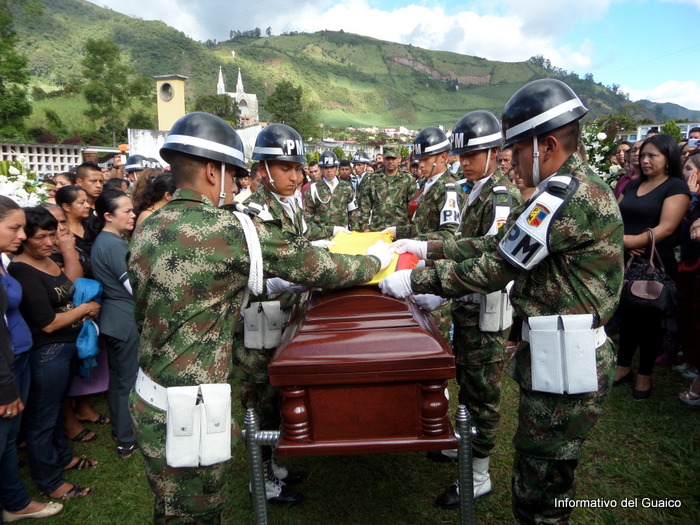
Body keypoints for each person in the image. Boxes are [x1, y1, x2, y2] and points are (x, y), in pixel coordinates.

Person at [127, 112, 393, 523]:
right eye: (235, 175)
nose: (238, 185)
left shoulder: (149, 226)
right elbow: (316, 268)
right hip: (189, 409)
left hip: (148, 395)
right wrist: (375, 261)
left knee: (170, 508)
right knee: (196, 514)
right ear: (213, 172)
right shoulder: (231, 229)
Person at [381, 79, 623, 524]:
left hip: (567, 361)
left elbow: (498, 266)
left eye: (518, 148)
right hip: (558, 354)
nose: (513, 158)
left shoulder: (564, 198)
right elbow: (497, 246)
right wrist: (428, 248)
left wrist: (416, 280)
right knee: (540, 473)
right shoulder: (574, 189)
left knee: (540, 491)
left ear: (547, 145)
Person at [428, 111, 523, 506]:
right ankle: (463, 444)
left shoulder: (501, 195)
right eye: (461, 155)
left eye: (472, 155)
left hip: (486, 310)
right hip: (467, 306)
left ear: (494, 153)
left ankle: (479, 473)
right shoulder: (475, 190)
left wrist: (432, 255)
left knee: (483, 392)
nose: (463, 162)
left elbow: (492, 249)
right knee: (466, 383)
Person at [9, 207, 100, 500]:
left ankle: (62, 457)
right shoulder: (21, 271)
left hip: (65, 348)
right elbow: (48, 323)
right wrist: (84, 309)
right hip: (47, 353)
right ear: (24, 239)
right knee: (42, 419)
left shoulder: (47, 259)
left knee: (58, 408)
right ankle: (50, 482)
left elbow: (66, 292)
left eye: (52, 235)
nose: (50, 242)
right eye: (41, 237)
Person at [0, 197, 64, 521]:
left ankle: (15, 501)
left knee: (10, 439)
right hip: (7, 370)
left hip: (19, 359)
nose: (22, 236)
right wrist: (5, 386)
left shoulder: (2, 261)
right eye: (14, 228)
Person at [614, 134, 690, 399]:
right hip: (626, 258)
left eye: (652, 156)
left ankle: (644, 375)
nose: (644, 160)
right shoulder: (634, 185)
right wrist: (622, 242)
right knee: (627, 315)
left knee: (649, 320)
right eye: (642, 155)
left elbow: (666, 227)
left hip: (654, 262)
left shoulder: (676, 187)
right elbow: (615, 217)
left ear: (668, 158)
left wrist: (631, 241)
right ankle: (623, 366)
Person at [90, 190, 139, 459]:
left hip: (117, 318)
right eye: (127, 211)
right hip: (123, 319)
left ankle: (123, 433)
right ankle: (126, 438)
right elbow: (134, 287)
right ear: (108, 216)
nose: (133, 215)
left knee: (121, 379)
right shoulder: (112, 245)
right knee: (127, 381)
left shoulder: (108, 241)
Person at [359, 146, 415, 232]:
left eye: (393, 158)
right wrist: (365, 226)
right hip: (377, 229)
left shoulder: (407, 179)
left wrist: (412, 226)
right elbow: (365, 204)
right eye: (387, 158)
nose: (390, 161)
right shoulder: (374, 178)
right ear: (383, 159)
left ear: (399, 159)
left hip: (400, 230)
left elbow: (413, 205)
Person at [304, 150, 360, 235]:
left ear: (336, 168)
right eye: (326, 168)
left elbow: (353, 212)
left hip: (343, 234)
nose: (329, 170)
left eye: (332, 167)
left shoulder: (346, 187)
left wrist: (354, 233)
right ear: (321, 169)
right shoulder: (313, 189)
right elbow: (308, 216)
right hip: (322, 235)